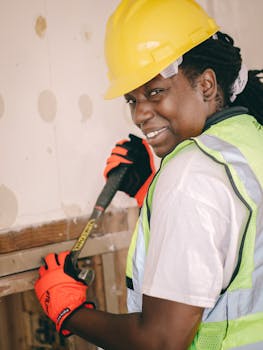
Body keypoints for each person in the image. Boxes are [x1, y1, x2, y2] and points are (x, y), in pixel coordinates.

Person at [34, 0, 263, 349]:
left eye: (155, 91)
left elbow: (160, 341)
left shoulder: (192, 176)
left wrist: (70, 312)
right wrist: (149, 190)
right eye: (131, 99)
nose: (140, 114)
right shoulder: (250, 138)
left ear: (206, 85)